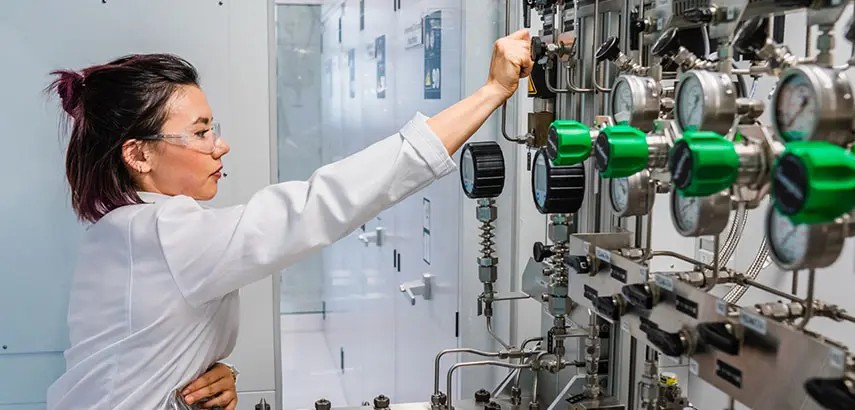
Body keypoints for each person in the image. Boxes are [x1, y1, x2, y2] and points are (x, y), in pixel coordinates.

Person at [44, 30, 533, 410]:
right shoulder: (164, 233)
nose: (220, 144)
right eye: (199, 132)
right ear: (139, 154)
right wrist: (493, 91)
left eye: (213, 127)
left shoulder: (125, 230)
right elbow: (326, 202)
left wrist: (213, 374)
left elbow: (141, 353)